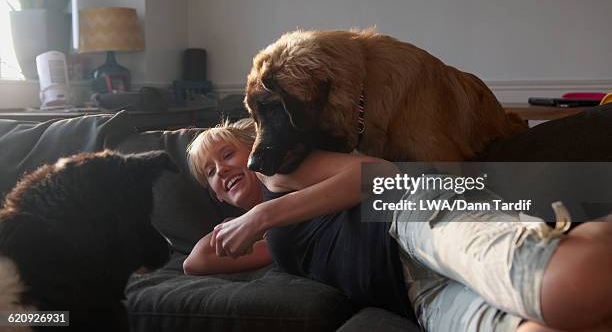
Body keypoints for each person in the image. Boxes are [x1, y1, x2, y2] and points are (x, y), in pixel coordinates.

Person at [185, 119, 612, 332]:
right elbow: (195, 262)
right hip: (413, 293)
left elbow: (379, 173)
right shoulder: (266, 242)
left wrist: (261, 213)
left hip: (408, 217)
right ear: (215, 195)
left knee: (560, 284)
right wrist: (248, 220)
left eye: (227, 155)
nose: (221, 170)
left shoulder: (277, 173)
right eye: (209, 173)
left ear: (252, 149)